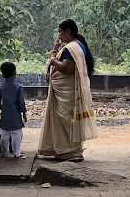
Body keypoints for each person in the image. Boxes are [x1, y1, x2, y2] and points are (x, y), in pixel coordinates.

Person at [37, 19, 99, 161]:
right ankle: (71, 149)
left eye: (60, 32)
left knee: (67, 119)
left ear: (68, 32)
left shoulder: (71, 48)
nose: (59, 36)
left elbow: (67, 69)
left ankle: (70, 150)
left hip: (67, 91)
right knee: (69, 119)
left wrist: (52, 60)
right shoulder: (78, 46)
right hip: (70, 91)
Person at [0, 62, 27, 158]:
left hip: (5, 116)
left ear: (2, 75)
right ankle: (17, 153)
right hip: (16, 116)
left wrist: (2, 107)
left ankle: (5, 153)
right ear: (14, 73)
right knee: (17, 135)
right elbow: (21, 102)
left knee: (4, 136)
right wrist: (24, 113)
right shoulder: (18, 87)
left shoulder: (0, 87)